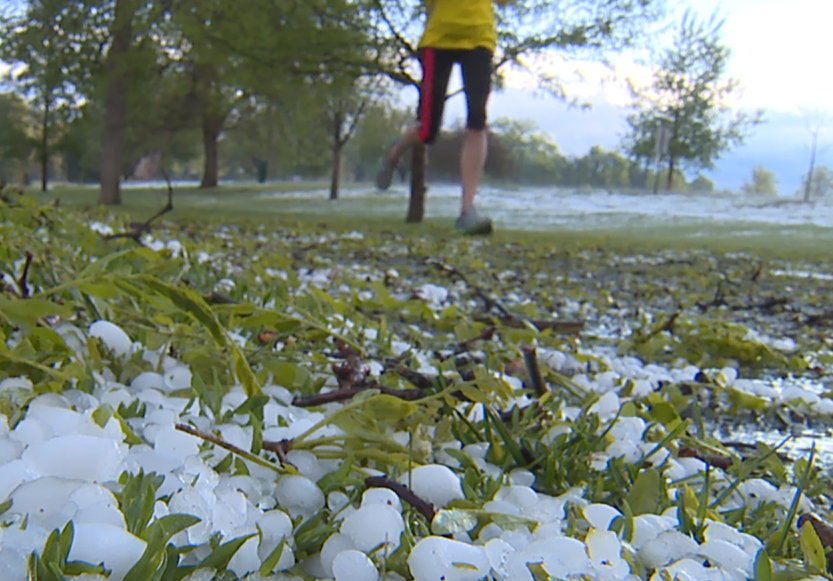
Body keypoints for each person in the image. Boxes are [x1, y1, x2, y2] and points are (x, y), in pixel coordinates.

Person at [375, 0, 512, 236]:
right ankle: (394, 153)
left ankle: (467, 210)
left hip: (480, 37)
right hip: (439, 39)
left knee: (477, 122)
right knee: (428, 130)